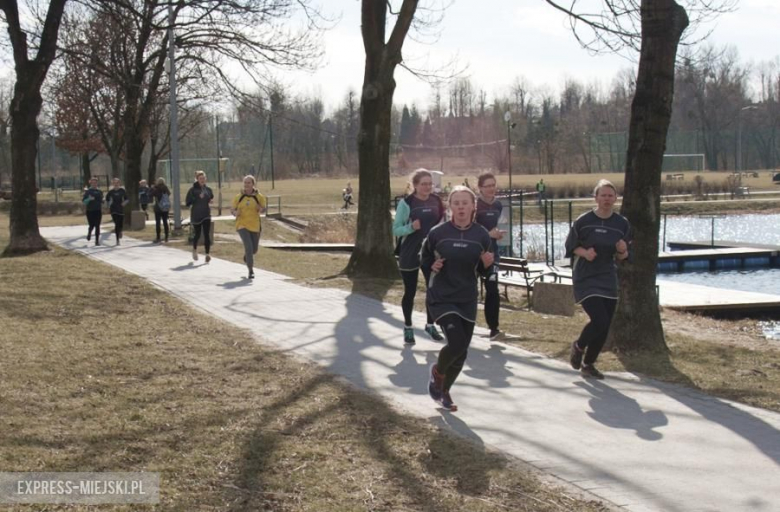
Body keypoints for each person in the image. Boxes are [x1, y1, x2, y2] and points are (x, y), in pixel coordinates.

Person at [422, 186, 494, 411]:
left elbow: (484, 272)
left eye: (465, 203)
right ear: (450, 206)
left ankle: (444, 392)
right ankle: (438, 373)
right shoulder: (438, 233)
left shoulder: (481, 235)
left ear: (474, 206)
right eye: (456, 203)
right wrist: (430, 265)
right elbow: (423, 260)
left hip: (467, 298)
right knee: (457, 343)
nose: (461, 207)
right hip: (441, 296)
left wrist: (487, 266)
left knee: (461, 352)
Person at [565, 179, 631, 380]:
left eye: (610, 196)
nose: (607, 199)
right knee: (599, 319)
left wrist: (622, 250)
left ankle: (589, 364)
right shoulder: (584, 221)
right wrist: (584, 253)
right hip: (585, 275)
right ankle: (578, 346)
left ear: (615, 198)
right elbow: (570, 247)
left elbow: (624, 257)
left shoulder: (622, 224)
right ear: (596, 198)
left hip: (607, 275)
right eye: (603, 195)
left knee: (605, 324)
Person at [393, 168, 445, 345]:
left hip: (431, 252)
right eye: (423, 184)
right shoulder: (406, 203)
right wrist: (410, 228)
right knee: (410, 292)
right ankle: (408, 327)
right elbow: (396, 229)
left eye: (430, 184)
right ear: (415, 185)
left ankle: (430, 325)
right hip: (410, 252)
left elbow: (442, 223)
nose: (427, 187)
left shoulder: (436, 201)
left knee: (433, 290)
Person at [475, 172, 506, 340]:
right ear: (480, 188)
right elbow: (471, 230)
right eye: (487, 186)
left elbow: (495, 229)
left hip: (492, 254)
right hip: (473, 254)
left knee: (493, 289)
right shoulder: (474, 205)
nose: (491, 189)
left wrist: (498, 234)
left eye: (493, 185)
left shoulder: (498, 205)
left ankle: (494, 328)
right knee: (468, 289)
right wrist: (488, 234)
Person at [231, 175, 266, 279]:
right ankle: (250, 270)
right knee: (249, 247)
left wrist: (260, 209)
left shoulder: (259, 197)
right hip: (242, 225)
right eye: (245, 183)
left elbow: (263, 209)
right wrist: (235, 212)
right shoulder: (239, 197)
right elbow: (232, 209)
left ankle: (247, 257)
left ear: (253, 184)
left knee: (254, 250)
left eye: (248, 183)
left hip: (255, 225)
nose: (246, 185)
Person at [186, 170, 214, 262]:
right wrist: (197, 198)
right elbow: (188, 202)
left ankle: (207, 254)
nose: (202, 180)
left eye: (203, 178)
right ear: (197, 179)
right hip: (196, 214)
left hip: (206, 214)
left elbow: (210, 197)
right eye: (200, 178)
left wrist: (210, 201)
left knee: (206, 234)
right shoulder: (192, 190)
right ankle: (194, 250)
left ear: (205, 179)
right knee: (197, 234)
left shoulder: (208, 189)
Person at [105, 177, 128, 246]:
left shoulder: (122, 191)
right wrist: (108, 206)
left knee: (120, 224)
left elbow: (127, 199)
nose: (116, 184)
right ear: (113, 184)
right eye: (114, 183)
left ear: (119, 183)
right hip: (113, 209)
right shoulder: (111, 192)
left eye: (117, 183)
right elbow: (107, 199)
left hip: (120, 209)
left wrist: (124, 203)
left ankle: (120, 231)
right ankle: (117, 240)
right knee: (116, 224)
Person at [82, 177, 103, 246]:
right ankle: (89, 233)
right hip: (90, 210)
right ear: (90, 183)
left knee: (97, 225)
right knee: (92, 225)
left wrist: (103, 201)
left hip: (98, 210)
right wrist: (89, 199)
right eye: (93, 182)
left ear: (97, 183)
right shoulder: (88, 192)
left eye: (95, 182)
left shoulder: (99, 191)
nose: (94, 184)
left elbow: (102, 201)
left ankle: (97, 241)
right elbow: (84, 202)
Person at [151, 177, 171, 243]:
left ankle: (158, 237)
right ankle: (166, 237)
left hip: (158, 208)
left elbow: (151, 194)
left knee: (158, 223)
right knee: (165, 222)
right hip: (165, 207)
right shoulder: (165, 188)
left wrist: (153, 188)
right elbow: (169, 194)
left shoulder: (156, 188)